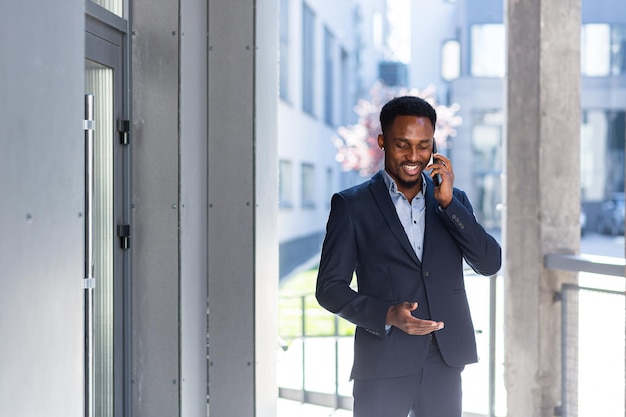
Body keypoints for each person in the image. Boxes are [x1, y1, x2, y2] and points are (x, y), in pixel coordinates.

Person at [315, 96, 501, 417]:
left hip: (444, 359)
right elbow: (329, 288)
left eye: (424, 145)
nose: (414, 156)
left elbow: (489, 263)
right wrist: (387, 314)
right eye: (403, 145)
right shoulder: (352, 206)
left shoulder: (453, 201)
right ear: (383, 141)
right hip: (383, 362)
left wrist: (448, 205)